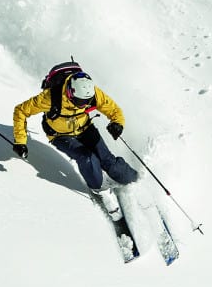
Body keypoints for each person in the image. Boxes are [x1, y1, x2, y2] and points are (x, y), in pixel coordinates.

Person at [12, 67, 139, 217]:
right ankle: (100, 189)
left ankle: (135, 180)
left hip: (85, 128)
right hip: (60, 135)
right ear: (70, 92)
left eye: (86, 102)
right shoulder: (50, 97)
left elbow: (113, 109)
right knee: (87, 158)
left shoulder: (91, 93)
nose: (84, 105)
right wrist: (20, 141)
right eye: (80, 102)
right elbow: (20, 111)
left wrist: (117, 123)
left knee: (108, 161)